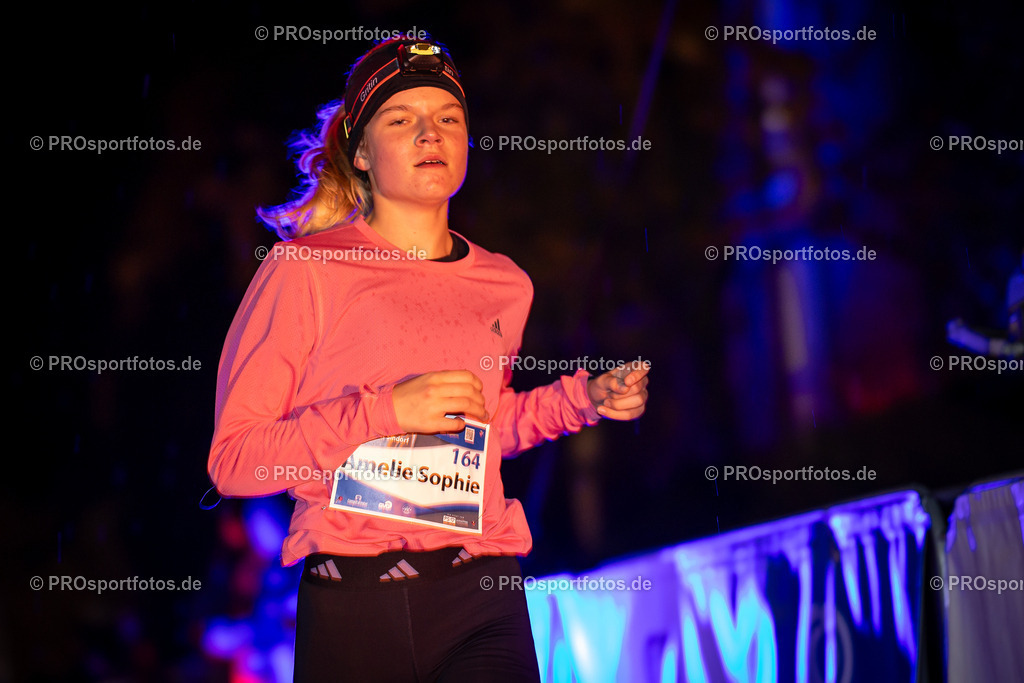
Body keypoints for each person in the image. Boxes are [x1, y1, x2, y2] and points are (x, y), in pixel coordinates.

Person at [208, 36, 650, 682]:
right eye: (401, 119)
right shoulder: (304, 270)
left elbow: (485, 430)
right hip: (354, 609)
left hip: (482, 595)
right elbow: (235, 460)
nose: (429, 134)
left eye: (448, 118)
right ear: (360, 152)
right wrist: (385, 410)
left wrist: (582, 399)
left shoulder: (505, 283)